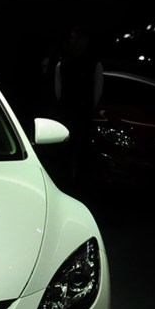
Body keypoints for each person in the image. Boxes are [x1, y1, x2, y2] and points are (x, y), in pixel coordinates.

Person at [54, 24, 104, 194]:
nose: (74, 42)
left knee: (81, 156)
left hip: (82, 119)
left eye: (78, 39)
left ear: (87, 41)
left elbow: (96, 95)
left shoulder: (94, 65)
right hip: (69, 117)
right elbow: (59, 93)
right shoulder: (62, 65)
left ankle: (79, 187)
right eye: (72, 39)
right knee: (66, 156)